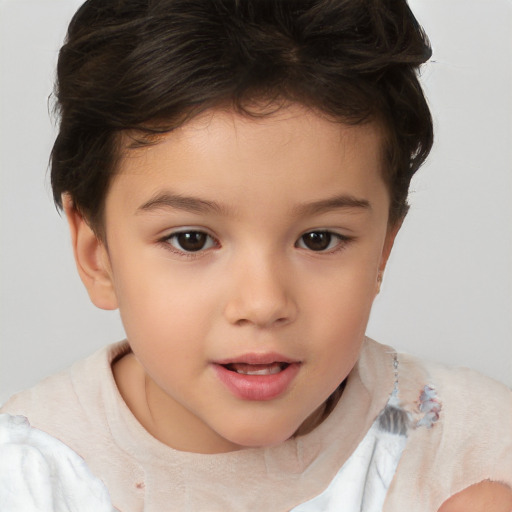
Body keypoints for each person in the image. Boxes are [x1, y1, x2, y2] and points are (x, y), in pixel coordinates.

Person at [1, 0, 511, 510]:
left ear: (383, 248)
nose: (263, 303)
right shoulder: (25, 478)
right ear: (96, 254)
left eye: (319, 239)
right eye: (191, 240)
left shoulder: (478, 451)